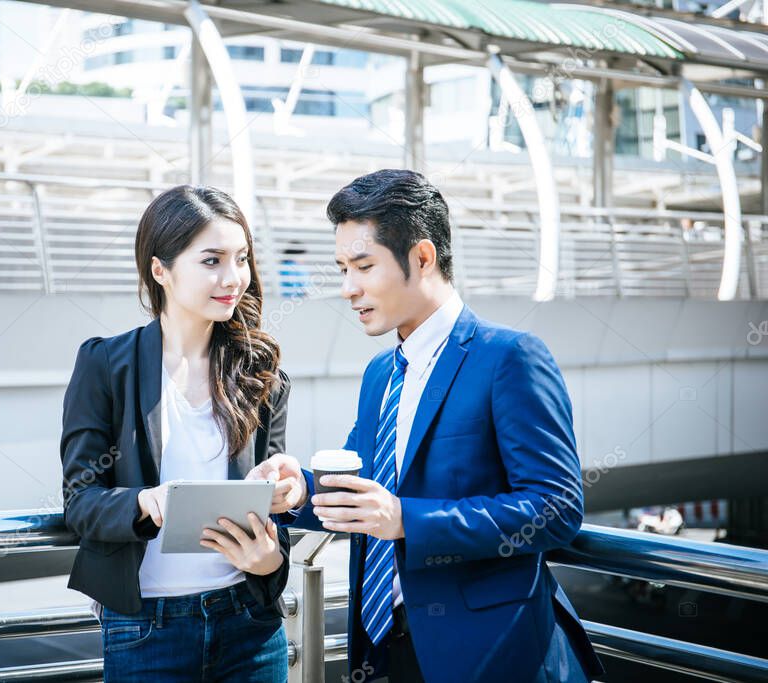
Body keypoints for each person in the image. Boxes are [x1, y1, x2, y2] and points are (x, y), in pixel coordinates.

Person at [249, 170, 604, 683]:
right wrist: (299, 489)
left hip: (487, 652)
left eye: (363, 266)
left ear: (421, 257)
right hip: (382, 649)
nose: (348, 289)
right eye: (342, 268)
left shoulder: (509, 357)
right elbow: (363, 492)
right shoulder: (379, 374)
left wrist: (405, 519)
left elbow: (556, 507)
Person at [60, 185, 293, 682]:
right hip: (146, 629)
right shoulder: (106, 365)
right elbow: (80, 502)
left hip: (249, 622)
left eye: (242, 259)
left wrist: (273, 552)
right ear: (160, 270)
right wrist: (147, 502)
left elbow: (275, 509)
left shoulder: (259, 369)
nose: (233, 278)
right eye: (212, 260)